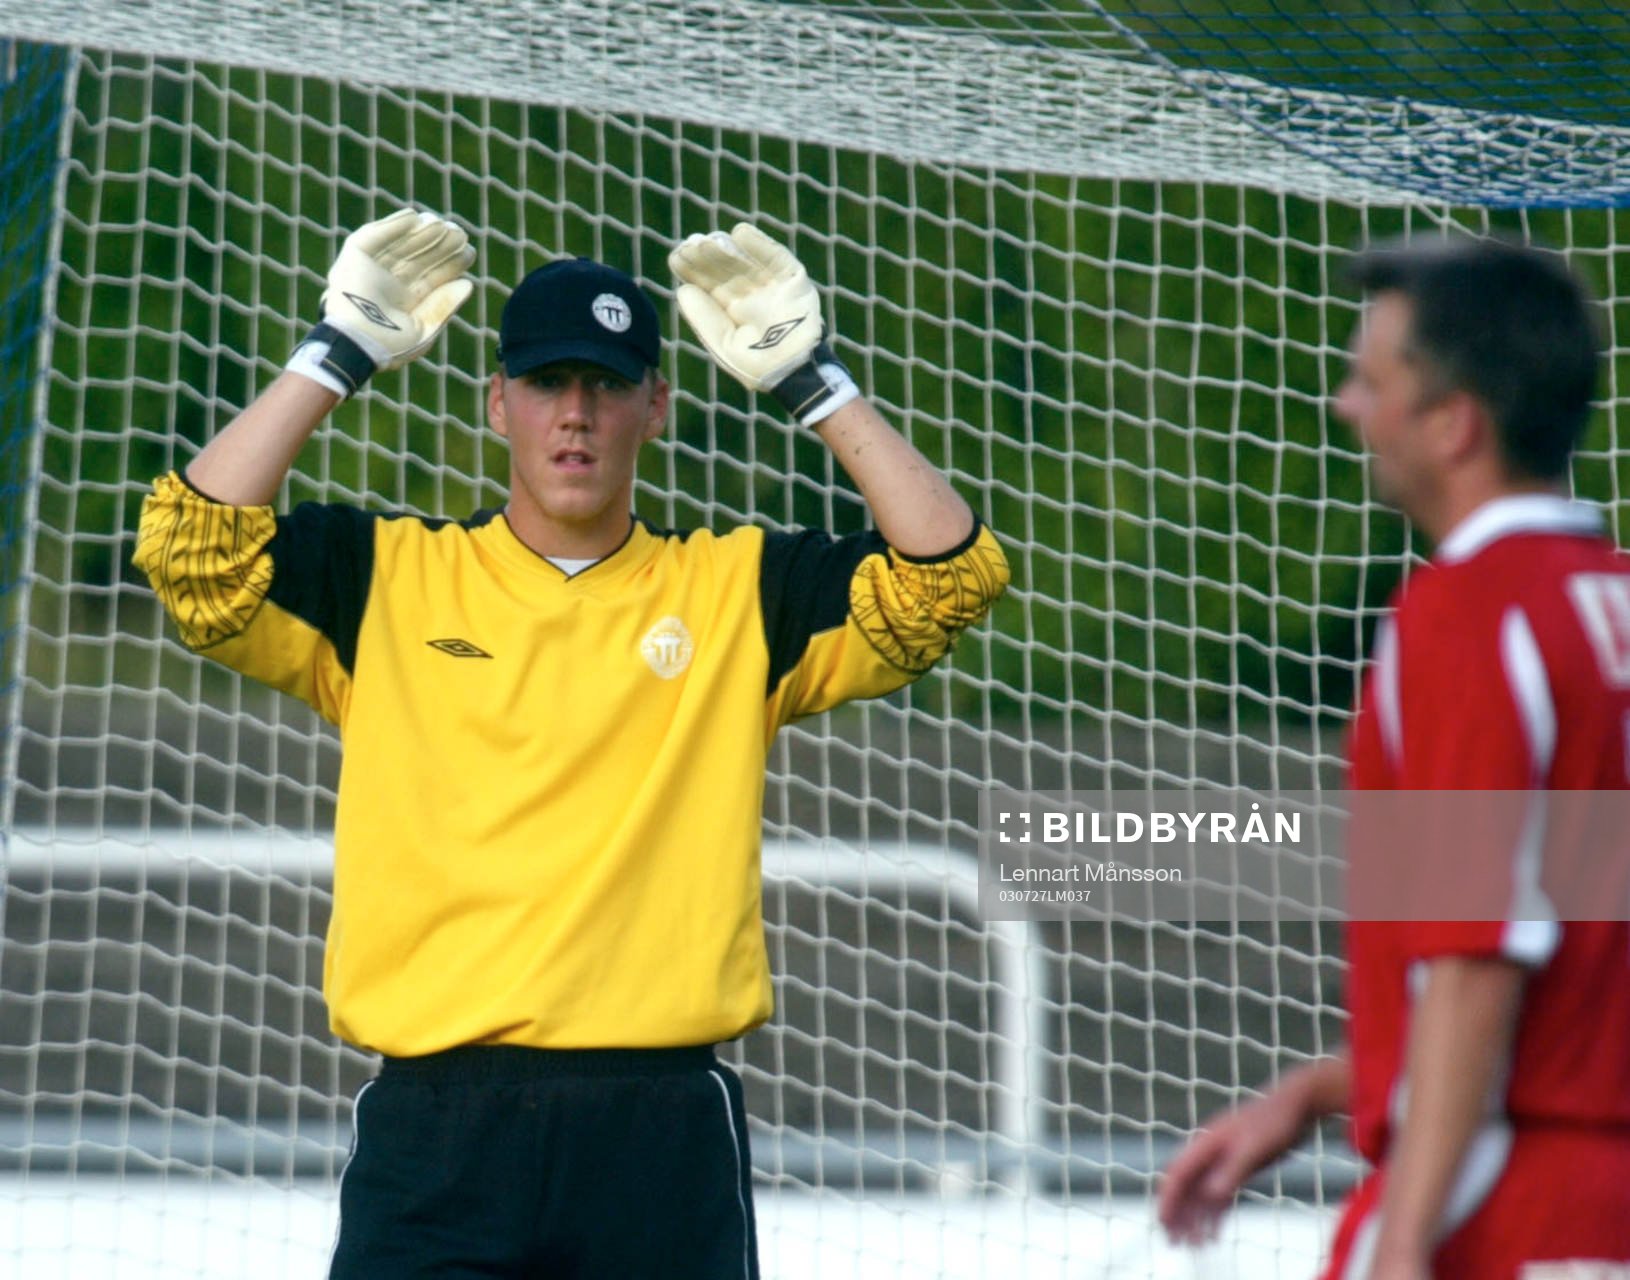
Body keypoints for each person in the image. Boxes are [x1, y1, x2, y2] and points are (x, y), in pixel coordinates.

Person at [133, 208, 1008, 1277]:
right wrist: (342, 345)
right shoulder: (383, 574)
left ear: (658, 405)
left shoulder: (738, 590)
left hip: (659, 1132)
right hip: (437, 1129)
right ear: (498, 402)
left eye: (606, 384)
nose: (577, 416)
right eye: (548, 383)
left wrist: (813, 382)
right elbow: (189, 549)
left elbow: (950, 575)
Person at [1157, 236, 1630, 1279]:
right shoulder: (1605, 602)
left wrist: (1406, 1234)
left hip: (1497, 1195)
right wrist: (1319, 1091)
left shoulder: (1467, 619)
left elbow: (1478, 954)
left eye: (1370, 381)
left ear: (1453, 424)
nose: (1345, 407)